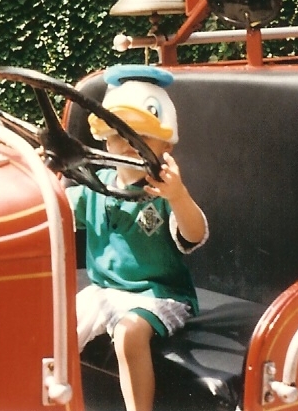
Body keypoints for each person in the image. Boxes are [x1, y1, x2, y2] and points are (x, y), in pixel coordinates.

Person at [67, 65, 208, 411]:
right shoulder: (94, 185)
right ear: (103, 137)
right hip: (104, 291)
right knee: (54, 326)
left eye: (143, 139)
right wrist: (50, 171)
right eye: (120, 135)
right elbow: (54, 214)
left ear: (165, 145)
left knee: (130, 332)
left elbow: (195, 232)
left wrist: (178, 195)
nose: (130, 147)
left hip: (159, 295)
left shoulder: (164, 192)